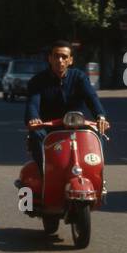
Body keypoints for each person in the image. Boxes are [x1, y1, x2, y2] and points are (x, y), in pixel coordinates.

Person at [25, 41, 110, 175]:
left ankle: (95, 174)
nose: (60, 60)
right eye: (56, 56)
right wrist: (34, 119)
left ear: (70, 60)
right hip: (49, 127)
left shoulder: (79, 77)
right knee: (36, 134)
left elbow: (92, 98)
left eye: (64, 57)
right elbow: (32, 104)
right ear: (50, 59)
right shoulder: (37, 81)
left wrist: (101, 117)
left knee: (98, 133)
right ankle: (46, 174)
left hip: (77, 126)